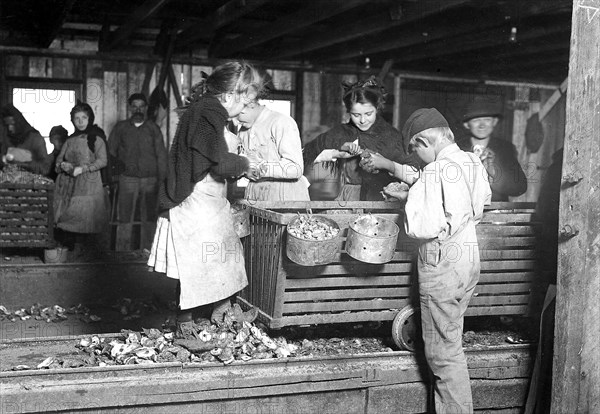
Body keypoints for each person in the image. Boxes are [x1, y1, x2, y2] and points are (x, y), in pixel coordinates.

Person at [369, 108, 491, 413]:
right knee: (451, 342)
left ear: (424, 140)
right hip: (467, 256)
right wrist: (417, 193)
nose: (416, 157)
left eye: (415, 150)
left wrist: (410, 199)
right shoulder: (470, 161)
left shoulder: (435, 171)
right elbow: (478, 202)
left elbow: (421, 227)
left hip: (442, 261)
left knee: (443, 355)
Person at [147, 61, 261, 337]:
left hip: (208, 198)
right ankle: (184, 323)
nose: (243, 109)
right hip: (195, 199)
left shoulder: (205, 110)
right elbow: (219, 163)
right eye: (244, 101)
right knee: (195, 263)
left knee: (222, 256)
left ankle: (221, 308)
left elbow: (210, 156)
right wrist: (245, 163)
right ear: (230, 94)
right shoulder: (210, 111)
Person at [302, 76, 413, 201]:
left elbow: (410, 172)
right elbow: (305, 154)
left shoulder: (392, 136)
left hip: (385, 198)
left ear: (377, 108)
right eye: (356, 115)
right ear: (348, 111)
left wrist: (386, 165)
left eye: (368, 114)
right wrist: (336, 152)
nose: (362, 120)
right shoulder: (340, 132)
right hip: (349, 197)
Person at [108, 92, 167, 249]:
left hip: (150, 180)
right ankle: (122, 252)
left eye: (141, 107)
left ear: (146, 108)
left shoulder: (153, 129)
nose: (138, 110)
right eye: (135, 107)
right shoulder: (120, 128)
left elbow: (161, 155)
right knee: (124, 217)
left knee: (150, 218)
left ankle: (148, 252)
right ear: (130, 108)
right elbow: (111, 154)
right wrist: (113, 177)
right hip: (127, 179)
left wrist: (162, 181)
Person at [53, 102, 110, 255]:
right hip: (69, 184)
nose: (80, 121)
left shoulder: (96, 138)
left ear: (89, 118)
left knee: (86, 217)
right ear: (72, 120)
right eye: (76, 118)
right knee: (69, 217)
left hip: (89, 185)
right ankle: (73, 250)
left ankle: (87, 254)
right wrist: (62, 165)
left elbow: (103, 161)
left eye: (84, 117)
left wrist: (84, 168)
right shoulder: (69, 140)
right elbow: (57, 161)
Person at [236, 97, 310, 201]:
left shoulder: (281, 122)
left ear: (251, 103)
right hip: (255, 195)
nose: (235, 122)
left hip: (286, 197)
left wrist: (257, 168)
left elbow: (295, 168)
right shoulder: (243, 131)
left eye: (236, 114)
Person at [457, 98, 527, 201]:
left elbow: (519, 188)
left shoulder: (505, 149)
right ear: (466, 124)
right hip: (463, 211)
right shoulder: (457, 148)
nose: (482, 125)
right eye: (476, 120)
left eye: (487, 120)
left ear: (494, 122)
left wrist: (494, 174)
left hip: (495, 211)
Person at [1, 104, 52, 176]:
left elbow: (45, 168)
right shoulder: (7, 137)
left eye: (12, 124)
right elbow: (4, 160)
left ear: (19, 122)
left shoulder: (35, 138)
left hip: (32, 183)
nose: (9, 129)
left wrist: (22, 164)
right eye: (7, 125)